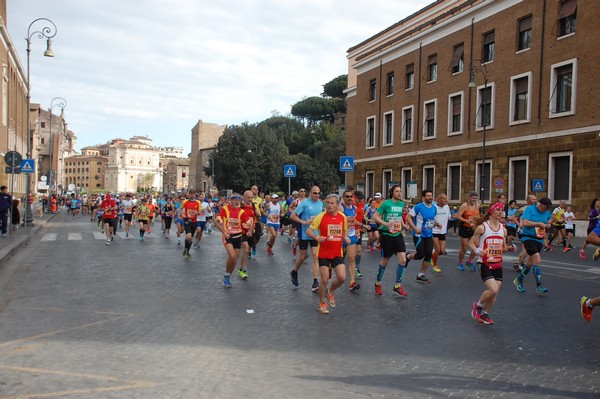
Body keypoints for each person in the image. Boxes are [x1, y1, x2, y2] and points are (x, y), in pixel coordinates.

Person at [469, 202, 515, 325]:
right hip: (484, 263)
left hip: (497, 263)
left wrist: (509, 248)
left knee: (495, 293)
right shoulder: (482, 227)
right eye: (498, 210)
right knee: (493, 290)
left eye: (502, 210)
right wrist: (478, 251)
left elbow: (503, 247)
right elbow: (472, 243)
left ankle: (485, 314)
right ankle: (477, 305)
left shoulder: (503, 230)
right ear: (491, 211)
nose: (501, 212)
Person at [306, 194, 349, 314]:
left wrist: (345, 238)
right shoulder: (321, 217)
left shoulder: (342, 217)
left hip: (337, 252)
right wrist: (317, 236)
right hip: (323, 252)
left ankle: (330, 292)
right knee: (324, 278)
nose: (329, 205)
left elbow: (344, 230)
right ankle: (321, 303)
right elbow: (309, 230)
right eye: (327, 203)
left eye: (332, 203)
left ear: (337, 204)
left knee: (342, 277)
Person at [372, 185, 408, 297]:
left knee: (403, 260)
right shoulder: (386, 203)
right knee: (385, 261)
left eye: (400, 191)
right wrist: (386, 224)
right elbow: (375, 216)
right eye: (397, 191)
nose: (399, 193)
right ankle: (378, 283)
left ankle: (397, 285)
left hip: (397, 235)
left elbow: (399, 216)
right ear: (392, 193)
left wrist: (403, 225)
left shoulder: (401, 204)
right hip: (387, 235)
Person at [513, 197, 553, 294]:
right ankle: (539, 285)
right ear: (541, 205)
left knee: (530, 264)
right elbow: (525, 222)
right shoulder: (529, 209)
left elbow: (550, 219)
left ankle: (519, 280)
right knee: (537, 260)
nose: (547, 210)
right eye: (546, 207)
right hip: (528, 237)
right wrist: (539, 223)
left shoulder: (546, 212)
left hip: (539, 239)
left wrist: (548, 224)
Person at [289, 186, 324, 292]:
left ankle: (315, 282)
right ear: (310, 193)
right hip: (304, 233)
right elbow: (293, 216)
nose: (317, 195)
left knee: (315, 256)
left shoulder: (321, 203)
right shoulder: (304, 203)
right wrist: (303, 222)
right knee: (303, 256)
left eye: (318, 193)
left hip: (315, 234)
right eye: (315, 193)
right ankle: (294, 271)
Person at [215, 193, 252, 288]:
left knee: (234, 260)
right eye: (234, 200)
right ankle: (227, 276)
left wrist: (249, 230)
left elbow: (249, 223)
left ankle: (227, 276)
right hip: (228, 236)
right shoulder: (225, 209)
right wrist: (224, 232)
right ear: (230, 201)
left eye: (238, 200)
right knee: (231, 256)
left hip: (238, 237)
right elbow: (217, 221)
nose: (236, 202)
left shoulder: (241, 212)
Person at [405, 189, 440, 283]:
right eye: (428, 196)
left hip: (429, 234)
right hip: (418, 235)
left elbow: (432, 219)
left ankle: (421, 274)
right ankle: (408, 256)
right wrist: (415, 228)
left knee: (428, 254)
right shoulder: (418, 207)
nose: (430, 197)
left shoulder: (434, 207)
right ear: (423, 197)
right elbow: (408, 217)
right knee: (420, 255)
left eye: (431, 195)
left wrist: (437, 224)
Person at [339, 188, 360, 291]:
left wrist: (362, 225)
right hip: (341, 236)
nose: (349, 198)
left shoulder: (354, 208)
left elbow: (353, 220)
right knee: (337, 257)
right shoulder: (340, 207)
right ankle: (328, 271)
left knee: (352, 258)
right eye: (346, 196)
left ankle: (352, 282)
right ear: (343, 198)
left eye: (350, 196)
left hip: (351, 235)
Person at [454, 191, 480, 271]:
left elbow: (478, 215)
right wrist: (466, 221)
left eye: (476, 198)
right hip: (464, 228)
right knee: (464, 247)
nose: (474, 200)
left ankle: (469, 261)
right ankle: (459, 263)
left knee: (476, 246)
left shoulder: (477, 205)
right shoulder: (464, 206)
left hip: (473, 228)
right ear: (469, 197)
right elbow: (458, 216)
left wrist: (478, 220)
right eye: (473, 198)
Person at [431, 193, 452, 273]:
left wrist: (455, 216)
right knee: (437, 249)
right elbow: (430, 218)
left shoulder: (447, 207)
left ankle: (431, 257)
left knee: (442, 251)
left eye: (446, 198)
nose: (446, 200)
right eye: (444, 198)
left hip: (442, 232)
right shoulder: (433, 207)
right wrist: (436, 223)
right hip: (434, 231)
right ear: (438, 199)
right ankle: (435, 265)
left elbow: (449, 217)